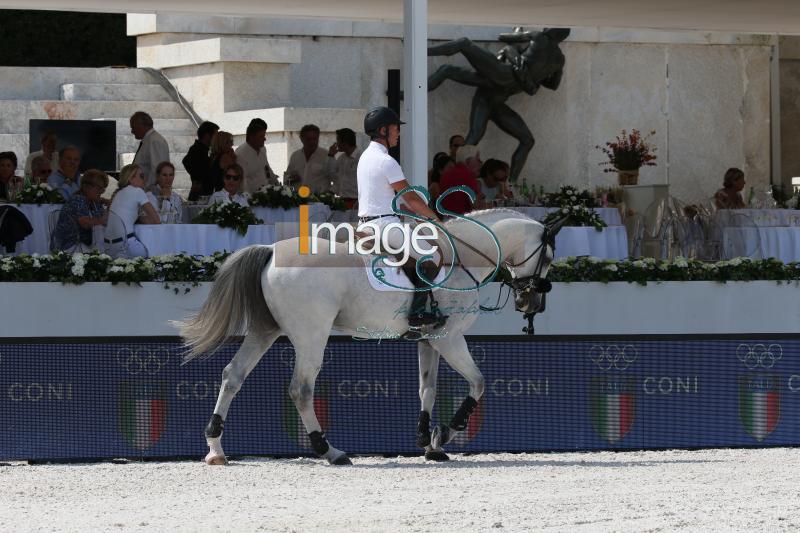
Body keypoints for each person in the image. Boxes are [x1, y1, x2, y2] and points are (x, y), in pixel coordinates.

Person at [358, 106, 445, 329]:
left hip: (367, 224)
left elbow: (385, 198)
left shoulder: (366, 157)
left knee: (413, 256)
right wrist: (435, 220)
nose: (398, 133)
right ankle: (416, 315)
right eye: (396, 128)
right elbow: (411, 199)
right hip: (384, 226)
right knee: (432, 257)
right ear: (384, 130)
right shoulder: (387, 161)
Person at [108, 163, 160, 258]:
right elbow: (156, 220)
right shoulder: (138, 191)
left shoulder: (118, 193)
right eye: (141, 176)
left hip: (109, 245)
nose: (145, 180)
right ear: (131, 178)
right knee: (153, 256)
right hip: (126, 243)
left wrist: (140, 217)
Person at [52, 169, 108, 252]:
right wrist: (102, 220)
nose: (101, 192)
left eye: (103, 189)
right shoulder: (77, 199)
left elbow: (102, 220)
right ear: (86, 187)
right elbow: (85, 223)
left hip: (86, 244)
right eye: (99, 188)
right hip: (69, 246)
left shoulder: (94, 202)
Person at [234, 118, 278, 194]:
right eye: (261, 136)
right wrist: (247, 200)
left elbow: (267, 168)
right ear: (252, 137)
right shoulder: (240, 153)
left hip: (266, 194)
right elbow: (242, 182)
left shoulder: (263, 149)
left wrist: (278, 186)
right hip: (252, 198)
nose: (265, 139)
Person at [286, 124, 332, 194]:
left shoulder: (327, 156)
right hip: (299, 199)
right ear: (301, 139)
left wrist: (330, 194)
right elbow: (287, 179)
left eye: (315, 139)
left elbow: (337, 178)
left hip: (320, 201)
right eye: (308, 139)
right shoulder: (295, 156)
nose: (312, 142)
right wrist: (291, 179)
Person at [130, 111, 170, 192]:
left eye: (133, 127)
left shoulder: (155, 141)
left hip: (150, 193)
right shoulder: (149, 140)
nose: (132, 131)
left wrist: (144, 189)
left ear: (141, 125)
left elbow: (157, 170)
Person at [438, 144, 484, 214]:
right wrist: (480, 197)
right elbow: (476, 206)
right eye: (478, 159)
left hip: (447, 219)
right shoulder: (468, 175)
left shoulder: (446, 175)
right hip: (463, 220)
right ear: (468, 161)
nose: (480, 162)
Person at [182, 121, 219, 201]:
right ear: (207, 136)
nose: (217, 139)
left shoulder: (202, 150)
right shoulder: (197, 149)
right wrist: (197, 179)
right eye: (215, 136)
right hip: (200, 195)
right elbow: (186, 161)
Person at [327, 127, 361, 208]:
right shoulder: (342, 157)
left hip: (356, 202)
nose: (336, 143)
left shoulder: (361, 157)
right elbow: (332, 174)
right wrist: (331, 156)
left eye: (338, 140)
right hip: (342, 201)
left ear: (345, 143)